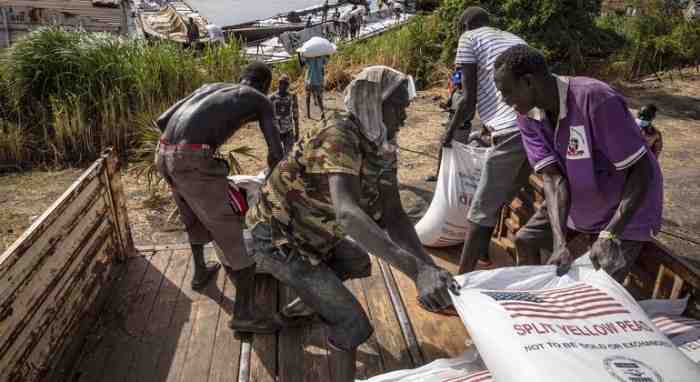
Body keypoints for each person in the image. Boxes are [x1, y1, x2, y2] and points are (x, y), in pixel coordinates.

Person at [246, 66, 459, 382]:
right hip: (277, 239)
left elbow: (395, 216)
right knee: (354, 325)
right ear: (373, 104)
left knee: (359, 261)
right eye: (398, 107)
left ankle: (305, 303)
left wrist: (428, 269)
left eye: (406, 106)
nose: (404, 116)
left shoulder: (383, 142)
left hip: (314, 236)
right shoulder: (340, 134)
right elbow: (348, 214)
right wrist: (417, 272)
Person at [494, 44, 663, 282]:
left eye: (507, 91)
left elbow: (641, 170)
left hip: (627, 210)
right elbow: (553, 178)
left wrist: (610, 236)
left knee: (600, 284)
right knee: (526, 239)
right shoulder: (527, 116)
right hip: (582, 203)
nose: (503, 100)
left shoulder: (595, 99)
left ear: (528, 82)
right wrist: (559, 243)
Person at [155, 62, 285, 333]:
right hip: (191, 160)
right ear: (265, 86)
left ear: (240, 78)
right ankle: (244, 315)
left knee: (192, 214)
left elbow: (162, 121)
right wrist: (277, 181)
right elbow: (275, 152)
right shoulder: (260, 99)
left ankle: (201, 272)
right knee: (232, 234)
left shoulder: (209, 88)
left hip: (163, 153)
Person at [444, 7, 531, 274]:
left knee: (480, 209)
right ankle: (482, 253)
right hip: (536, 129)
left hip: (510, 130)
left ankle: (461, 282)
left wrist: (449, 133)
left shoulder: (469, 38)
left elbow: (468, 101)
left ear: (465, 24)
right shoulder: (516, 38)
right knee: (497, 198)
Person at [425, 69, 474, 182]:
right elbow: (449, 104)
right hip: (451, 125)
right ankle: (439, 175)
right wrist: (444, 106)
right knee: (443, 150)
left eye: (459, 84)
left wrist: (452, 111)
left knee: (458, 154)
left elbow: (467, 115)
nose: (457, 85)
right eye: (457, 84)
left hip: (462, 129)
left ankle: (456, 179)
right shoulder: (455, 92)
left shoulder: (470, 97)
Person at [269, 74, 300, 153]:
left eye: (285, 84)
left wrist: (297, 132)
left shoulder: (292, 97)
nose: (282, 85)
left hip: (288, 131)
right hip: (276, 132)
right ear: (278, 83)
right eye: (281, 83)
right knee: (276, 155)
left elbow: (296, 116)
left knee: (289, 155)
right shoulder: (271, 98)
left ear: (288, 86)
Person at [300, 54, 328, 119]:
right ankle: (322, 113)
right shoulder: (322, 56)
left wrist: (302, 54)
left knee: (308, 97)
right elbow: (326, 62)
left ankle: (308, 114)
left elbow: (303, 60)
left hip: (309, 80)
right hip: (318, 80)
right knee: (319, 98)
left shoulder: (309, 56)